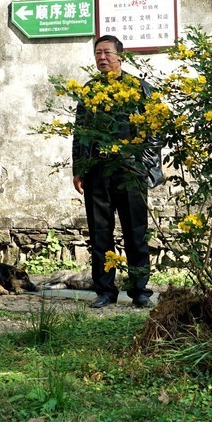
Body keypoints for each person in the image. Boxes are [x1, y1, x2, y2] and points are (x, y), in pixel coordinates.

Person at [72, 34, 163, 309]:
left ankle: (140, 290)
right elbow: (81, 133)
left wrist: (144, 165)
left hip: (130, 172)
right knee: (100, 232)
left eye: (107, 53)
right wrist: (79, 169)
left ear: (120, 56)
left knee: (136, 231)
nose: (102, 58)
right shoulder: (89, 92)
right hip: (98, 171)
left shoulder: (140, 89)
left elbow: (154, 132)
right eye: (98, 53)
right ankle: (105, 290)